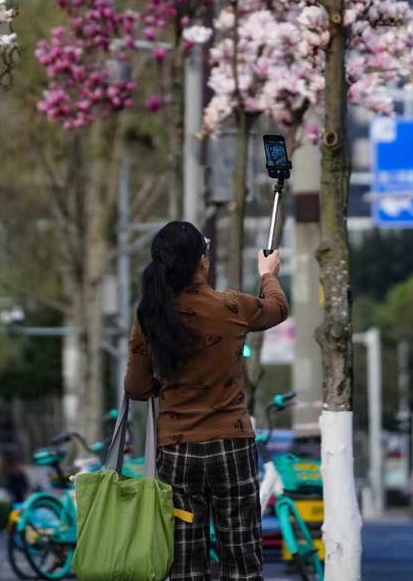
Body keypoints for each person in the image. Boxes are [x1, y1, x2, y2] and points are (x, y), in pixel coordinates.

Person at [124, 220, 289, 581]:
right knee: (242, 558)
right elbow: (277, 308)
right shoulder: (231, 305)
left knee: (185, 564)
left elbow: (136, 388)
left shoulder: (150, 317)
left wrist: (166, 381)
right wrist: (268, 274)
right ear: (202, 262)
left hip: (179, 452)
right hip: (232, 445)